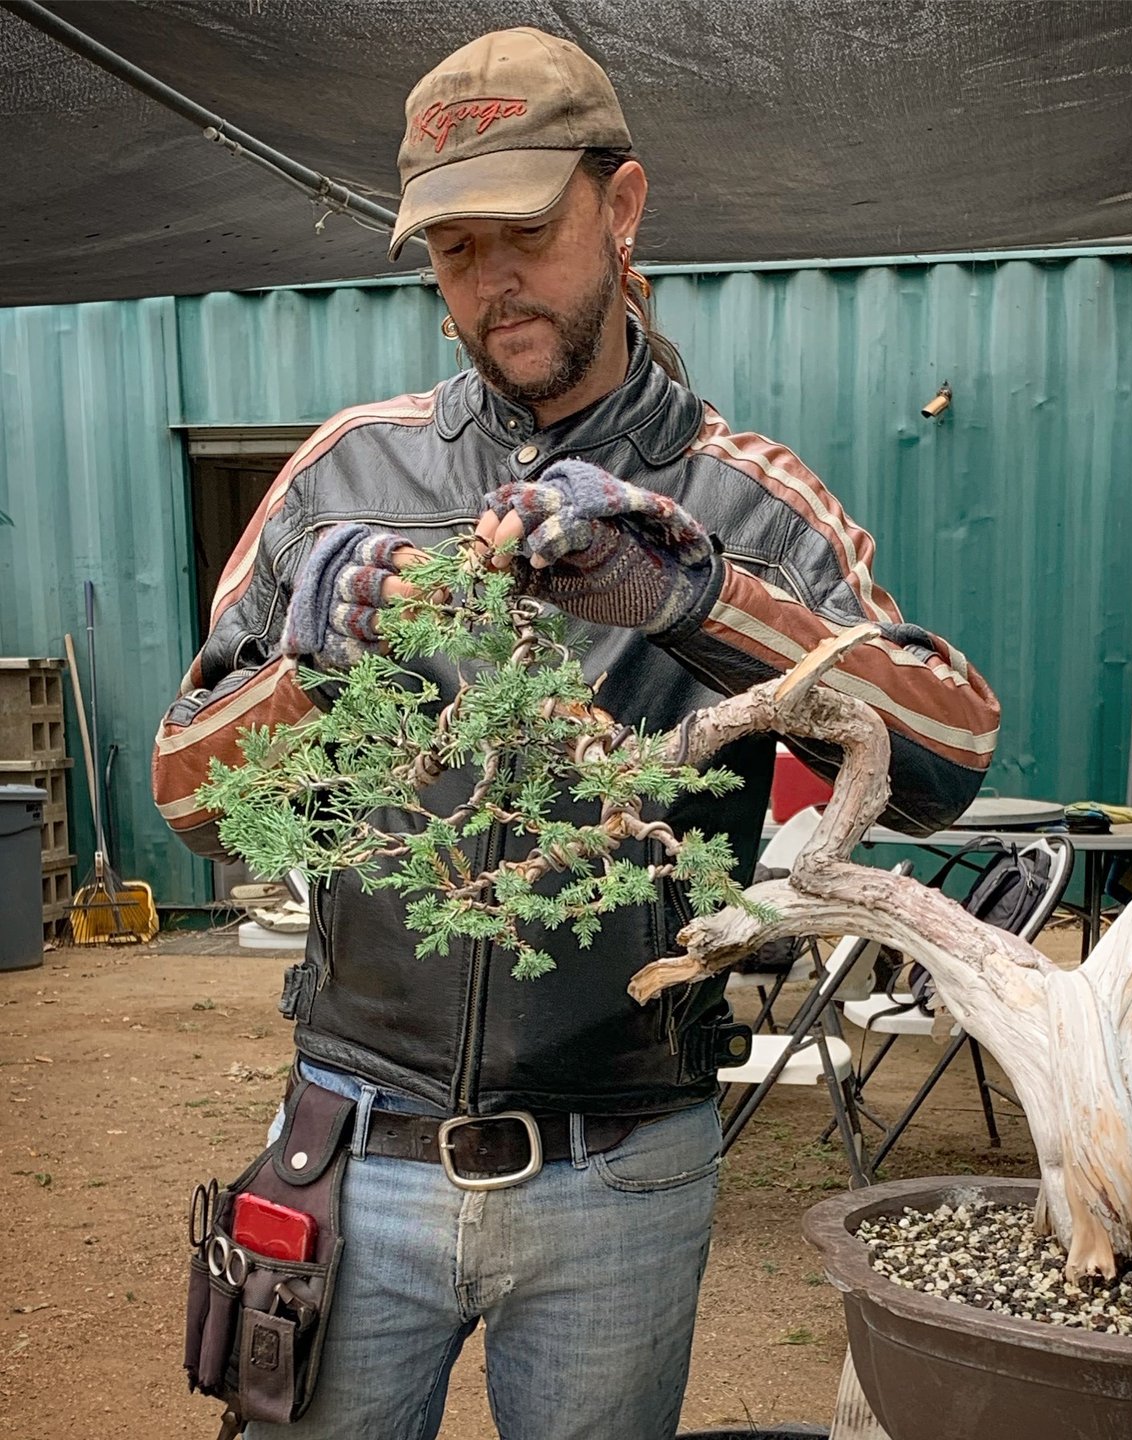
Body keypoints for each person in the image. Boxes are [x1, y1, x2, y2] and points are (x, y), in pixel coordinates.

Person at [153, 26, 1000, 1440]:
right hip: (354, 1147)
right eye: (454, 250)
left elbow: (948, 756)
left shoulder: (748, 500)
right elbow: (190, 793)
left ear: (622, 209)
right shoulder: (346, 471)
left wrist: (700, 596)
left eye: (527, 233)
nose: (493, 284)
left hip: (622, 1168)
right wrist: (315, 642)